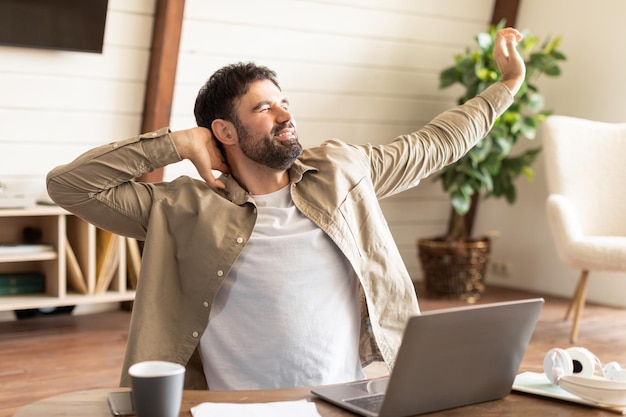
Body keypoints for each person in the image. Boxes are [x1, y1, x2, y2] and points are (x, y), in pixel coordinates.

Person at [46, 27, 526, 390]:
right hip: (235, 408)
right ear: (225, 132)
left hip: (341, 399)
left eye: (284, 102)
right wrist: (174, 144)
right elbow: (70, 187)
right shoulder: (180, 208)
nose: (286, 115)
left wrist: (507, 85)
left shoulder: (343, 170)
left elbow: (435, 144)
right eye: (264, 109)